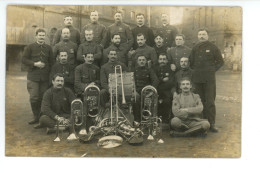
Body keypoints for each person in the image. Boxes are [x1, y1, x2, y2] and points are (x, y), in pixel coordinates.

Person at [189, 28, 224, 132]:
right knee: (199, 101)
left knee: (210, 101)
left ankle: (212, 123)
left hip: (209, 80)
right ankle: (201, 124)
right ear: (197, 36)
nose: (201, 36)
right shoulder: (194, 48)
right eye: (200, 34)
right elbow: (191, 62)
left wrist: (212, 70)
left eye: (204, 34)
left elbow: (220, 62)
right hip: (197, 79)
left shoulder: (213, 47)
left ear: (208, 36)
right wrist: (196, 71)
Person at [22, 28, 53, 125]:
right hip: (33, 76)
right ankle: (35, 116)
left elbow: (52, 62)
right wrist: (35, 64)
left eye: (43, 35)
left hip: (44, 77)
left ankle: (41, 117)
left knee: (43, 97)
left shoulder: (48, 48)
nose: (41, 37)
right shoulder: (30, 47)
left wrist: (51, 76)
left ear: (45, 37)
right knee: (34, 97)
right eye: (39, 35)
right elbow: (24, 59)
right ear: (36, 36)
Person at [132, 55, 159, 122]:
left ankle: (148, 120)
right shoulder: (134, 70)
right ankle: (137, 120)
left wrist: (151, 92)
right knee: (136, 99)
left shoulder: (149, 70)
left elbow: (155, 80)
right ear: (137, 62)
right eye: (140, 60)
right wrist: (133, 91)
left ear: (146, 61)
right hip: (137, 91)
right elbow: (131, 81)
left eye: (143, 60)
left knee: (149, 101)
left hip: (147, 91)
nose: (141, 61)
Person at [154, 53, 175, 123]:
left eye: (164, 59)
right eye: (160, 59)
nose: (162, 61)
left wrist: (159, 83)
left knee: (167, 102)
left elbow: (171, 83)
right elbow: (154, 80)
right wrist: (162, 80)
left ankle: (165, 121)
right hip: (156, 92)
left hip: (167, 92)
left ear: (167, 61)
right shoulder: (154, 69)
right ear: (158, 60)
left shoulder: (170, 69)